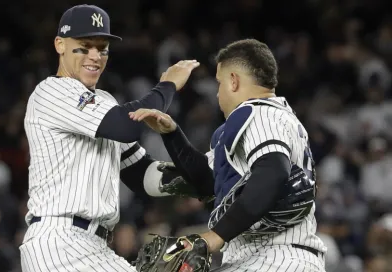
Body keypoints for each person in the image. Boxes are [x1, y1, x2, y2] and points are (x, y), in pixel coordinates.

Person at [19, 4, 199, 272]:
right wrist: (168, 85)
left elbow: (140, 173)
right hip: (58, 242)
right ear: (60, 45)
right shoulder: (50, 92)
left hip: (94, 246)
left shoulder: (103, 103)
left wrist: (196, 179)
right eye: (84, 46)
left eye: (102, 48)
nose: (95, 56)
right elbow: (124, 127)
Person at [130, 39, 327, 271]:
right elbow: (208, 181)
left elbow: (273, 172)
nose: (217, 94)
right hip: (265, 258)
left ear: (233, 81)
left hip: (274, 256)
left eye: (219, 83)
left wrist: (214, 237)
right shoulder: (268, 119)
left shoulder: (259, 113)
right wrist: (172, 134)